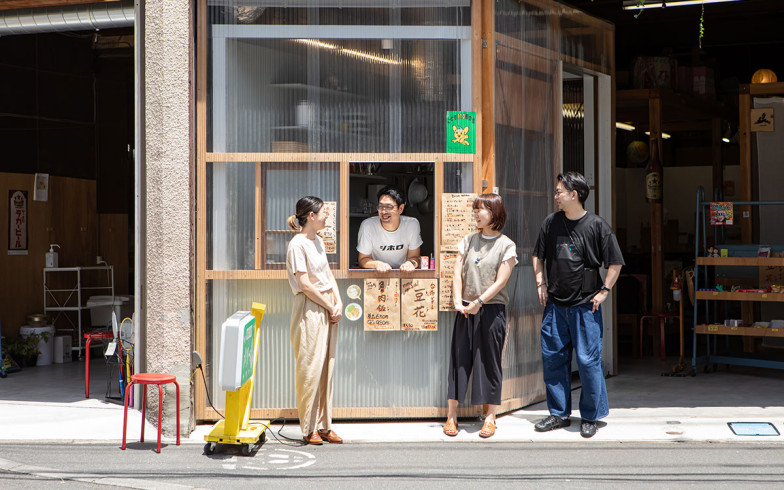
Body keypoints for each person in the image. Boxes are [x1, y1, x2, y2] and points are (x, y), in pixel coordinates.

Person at [532, 172, 624, 438]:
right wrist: (540, 283)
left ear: (574, 195)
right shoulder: (551, 223)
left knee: (588, 361)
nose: (556, 195)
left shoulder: (597, 226)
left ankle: (590, 416)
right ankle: (558, 414)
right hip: (555, 306)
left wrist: (604, 290)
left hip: (586, 306)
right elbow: (538, 255)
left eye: (559, 191)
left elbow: (615, 262)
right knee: (553, 359)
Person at [443, 194, 517, 439]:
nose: (476, 214)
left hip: (492, 310)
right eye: (475, 210)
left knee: (490, 362)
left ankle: (490, 417)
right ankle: (451, 415)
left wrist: (479, 302)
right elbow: (457, 273)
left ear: (494, 213)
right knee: (459, 360)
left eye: (481, 210)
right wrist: (457, 300)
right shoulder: (468, 240)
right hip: (465, 309)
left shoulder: (506, 245)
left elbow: (502, 281)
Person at [286, 196, 343, 445]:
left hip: (327, 305)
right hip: (310, 307)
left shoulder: (318, 241)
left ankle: (324, 425)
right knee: (310, 368)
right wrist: (330, 304)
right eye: (323, 213)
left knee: (327, 368)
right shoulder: (297, 244)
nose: (327, 216)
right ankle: (308, 428)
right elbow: (305, 284)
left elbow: (328, 275)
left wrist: (338, 301)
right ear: (311, 216)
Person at [357, 185, 423, 272]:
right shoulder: (368, 226)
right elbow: (363, 260)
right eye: (381, 206)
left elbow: (414, 257)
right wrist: (377, 264)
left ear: (401, 208)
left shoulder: (412, 225)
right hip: (377, 276)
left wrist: (410, 263)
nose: (384, 211)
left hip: (404, 276)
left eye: (389, 207)